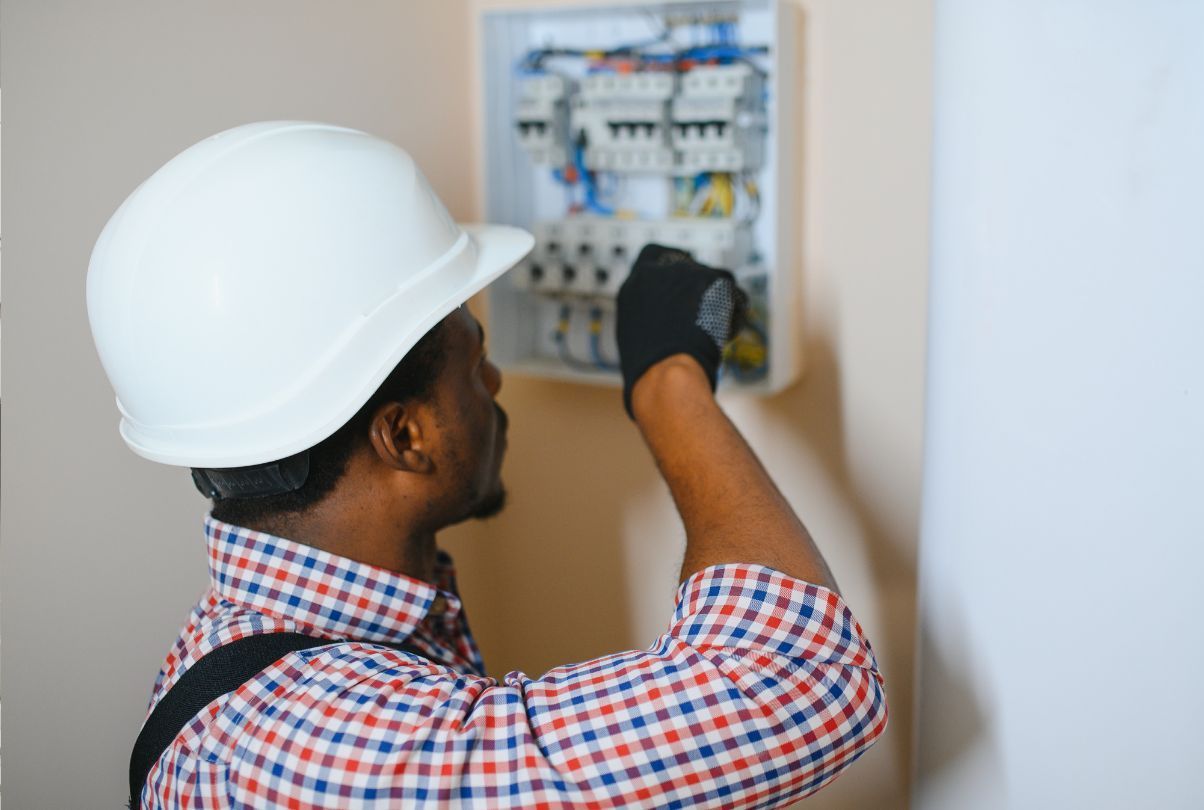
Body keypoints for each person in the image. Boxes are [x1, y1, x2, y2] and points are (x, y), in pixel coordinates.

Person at [89, 122, 887, 808]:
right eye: (473, 364)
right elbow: (799, 673)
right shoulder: (313, 755)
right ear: (405, 437)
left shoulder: (254, 651)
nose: (496, 383)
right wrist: (667, 385)